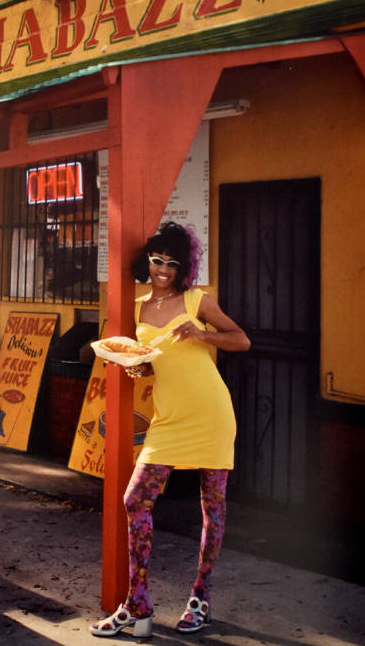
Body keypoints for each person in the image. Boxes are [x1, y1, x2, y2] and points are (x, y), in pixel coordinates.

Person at [90, 221, 250, 638]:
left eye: (172, 263)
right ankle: (137, 605)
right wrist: (136, 367)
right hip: (168, 419)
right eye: (157, 260)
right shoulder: (139, 306)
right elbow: (148, 364)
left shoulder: (198, 300)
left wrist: (201, 333)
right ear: (148, 261)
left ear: (184, 267)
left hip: (211, 413)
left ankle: (201, 597)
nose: (163, 269)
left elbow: (242, 340)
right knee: (135, 501)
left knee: (211, 508)